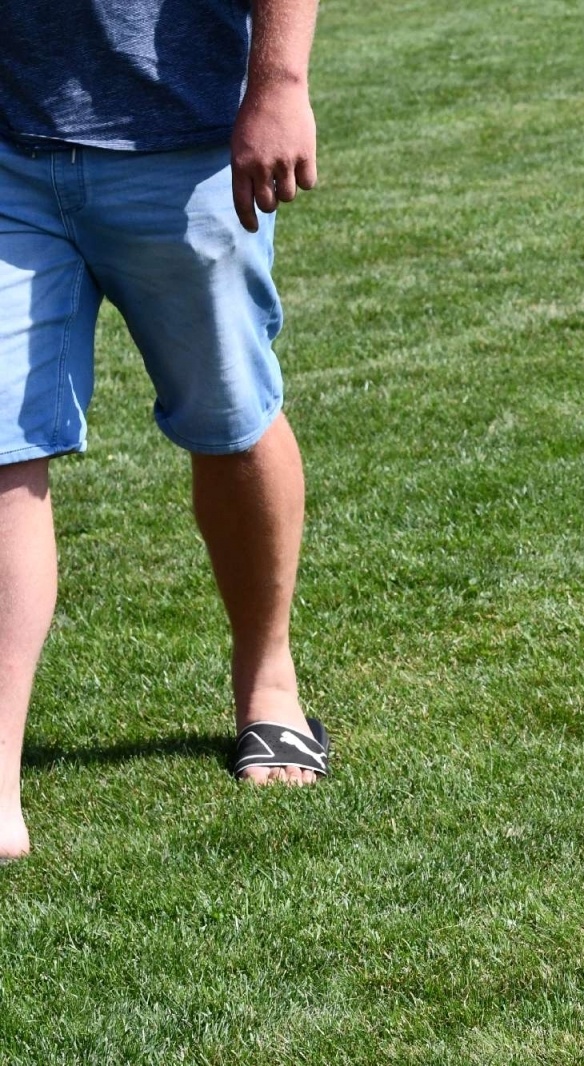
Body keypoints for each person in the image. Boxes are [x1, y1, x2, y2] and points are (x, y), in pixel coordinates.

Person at [0, 0, 329, 860]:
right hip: (6, 150)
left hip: (187, 142)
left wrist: (280, 81)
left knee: (229, 421)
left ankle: (267, 682)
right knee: (1, 447)